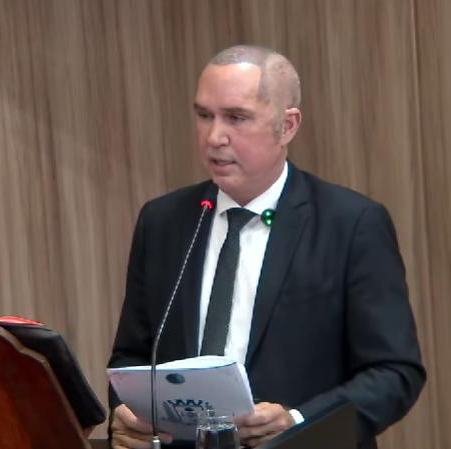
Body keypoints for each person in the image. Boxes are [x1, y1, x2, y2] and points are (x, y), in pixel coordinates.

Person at [107, 45, 425, 449]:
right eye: (204, 115)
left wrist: (299, 422)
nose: (214, 137)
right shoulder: (163, 222)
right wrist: (125, 414)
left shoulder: (351, 224)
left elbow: (395, 373)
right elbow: (131, 359)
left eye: (236, 118)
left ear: (287, 126)